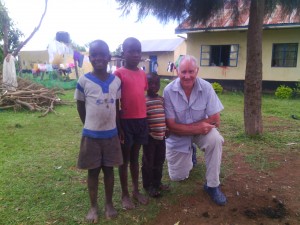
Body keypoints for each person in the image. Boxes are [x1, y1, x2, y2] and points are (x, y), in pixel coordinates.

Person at [163, 55, 227, 206]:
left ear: (197, 70)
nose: (187, 76)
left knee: (215, 140)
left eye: (191, 71)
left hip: (199, 132)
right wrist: (196, 127)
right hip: (179, 135)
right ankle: (190, 152)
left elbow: (215, 119)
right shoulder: (168, 91)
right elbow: (171, 125)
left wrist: (194, 128)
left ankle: (212, 185)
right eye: (183, 71)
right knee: (177, 177)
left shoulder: (206, 87)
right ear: (177, 71)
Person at [74, 40, 123, 223]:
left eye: (103, 54)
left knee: (109, 170)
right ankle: (93, 206)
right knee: (93, 172)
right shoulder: (83, 81)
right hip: (92, 136)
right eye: (94, 54)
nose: (99, 58)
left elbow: (117, 107)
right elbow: (80, 106)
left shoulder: (116, 81)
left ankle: (109, 203)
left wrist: (117, 129)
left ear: (109, 57)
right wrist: (89, 126)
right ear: (90, 57)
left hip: (111, 135)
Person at [114, 37, 149, 209]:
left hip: (141, 121)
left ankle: (136, 190)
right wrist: (119, 126)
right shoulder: (118, 74)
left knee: (135, 157)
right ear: (123, 53)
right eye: (131, 51)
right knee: (124, 159)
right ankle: (125, 195)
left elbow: (142, 96)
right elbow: (115, 102)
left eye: (138, 51)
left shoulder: (143, 74)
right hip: (126, 122)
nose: (135, 55)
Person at [142, 72, 170, 198]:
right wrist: (147, 132)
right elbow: (143, 119)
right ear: (145, 85)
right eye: (150, 83)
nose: (153, 86)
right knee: (148, 162)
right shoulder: (143, 101)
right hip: (150, 138)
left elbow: (164, 116)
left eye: (156, 83)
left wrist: (167, 128)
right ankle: (148, 186)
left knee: (159, 160)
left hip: (161, 137)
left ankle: (157, 183)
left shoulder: (161, 100)